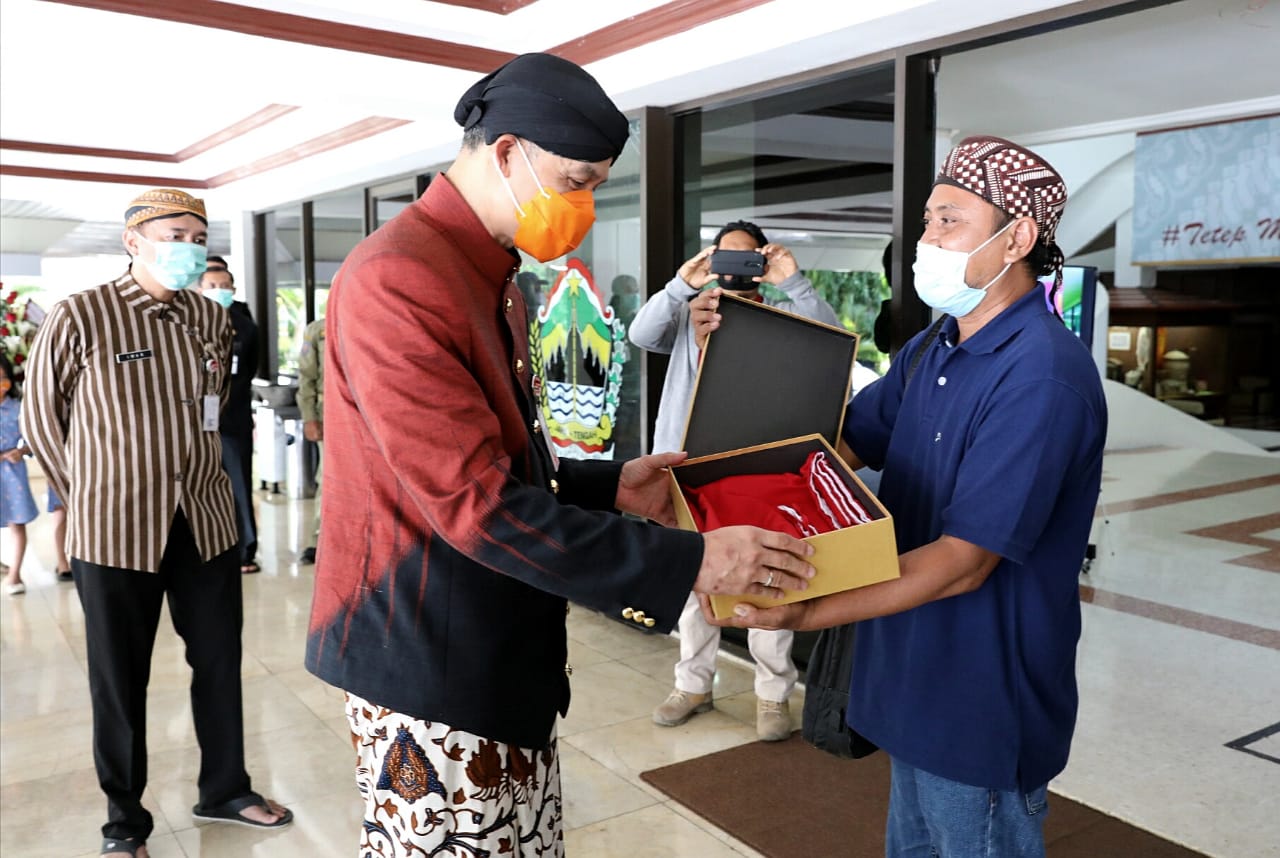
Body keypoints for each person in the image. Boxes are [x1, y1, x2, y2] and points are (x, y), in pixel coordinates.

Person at [304, 53, 815, 857]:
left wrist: (612, 483)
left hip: (493, 636)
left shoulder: (489, 270)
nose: (583, 206)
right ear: (507, 153)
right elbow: (475, 504)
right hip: (431, 648)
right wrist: (690, 561)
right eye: (576, 181)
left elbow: (504, 457)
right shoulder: (399, 279)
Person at [710, 136, 1107, 857]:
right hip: (909, 671)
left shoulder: (1042, 377)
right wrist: (737, 350)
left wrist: (806, 610)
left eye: (949, 220)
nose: (926, 239)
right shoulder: (935, 346)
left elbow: (964, 562)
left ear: (1017, 237)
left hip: (983, 694)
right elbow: (844, 446)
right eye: (927, 220)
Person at [22, 189, 291, 858]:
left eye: (199, 237)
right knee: (120, 679)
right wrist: (89, 495)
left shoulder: (210, 316)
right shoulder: (81, 314)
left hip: (203, 520)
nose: (190, 248)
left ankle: (225, 788)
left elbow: (214, 401)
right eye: (175, 234)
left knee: (221, 661)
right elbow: (39, 418)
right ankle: (125, 825)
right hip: (113, 530)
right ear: (134, 242)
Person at [629, 220, 841, 742]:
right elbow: (640, 334)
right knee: (691, 576)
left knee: (770, 575)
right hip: (687, 465)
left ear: (764, 262)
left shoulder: (786, 311)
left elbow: (832, 339)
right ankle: (693, 685)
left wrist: (792, 283)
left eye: (750, 259)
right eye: (726, 258)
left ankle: (773, 695)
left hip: (757, 465)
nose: (737, 269)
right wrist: (683, 284)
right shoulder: (689, 309)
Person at [198, 260, 260, 573]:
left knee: (239, 484)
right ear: (198, 288)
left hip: (233, 417)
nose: (218, 291)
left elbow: (249, 370)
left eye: (224, 286)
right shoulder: (187, 321)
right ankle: (203, 550)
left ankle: (245, 550)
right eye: (211, 286)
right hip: (195, 422)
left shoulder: (245, 325)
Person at [1, 353, 38, 596]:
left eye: (2, 377)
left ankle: (15, 573)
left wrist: (21, 450)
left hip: (13, 474)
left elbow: (33, 440)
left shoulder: (18, 407)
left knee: (17, 522)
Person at [295, 316, 324, 565]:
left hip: (371, 411)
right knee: (327, 477)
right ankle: (320, 540)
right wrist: (309, 417)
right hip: (330, 414)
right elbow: (306, 376)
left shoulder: (370, 319)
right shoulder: (318, 330)